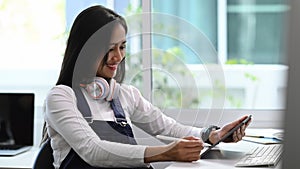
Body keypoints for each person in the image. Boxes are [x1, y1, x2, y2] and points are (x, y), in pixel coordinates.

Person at [42, 5, 251, 169]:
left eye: (122, 47)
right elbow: (92, 150)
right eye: (109, 49)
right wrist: (165, 153)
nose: (118, 57)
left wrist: (212, 135)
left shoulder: (124, 95)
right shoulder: (61, 97)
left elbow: (168, 128)